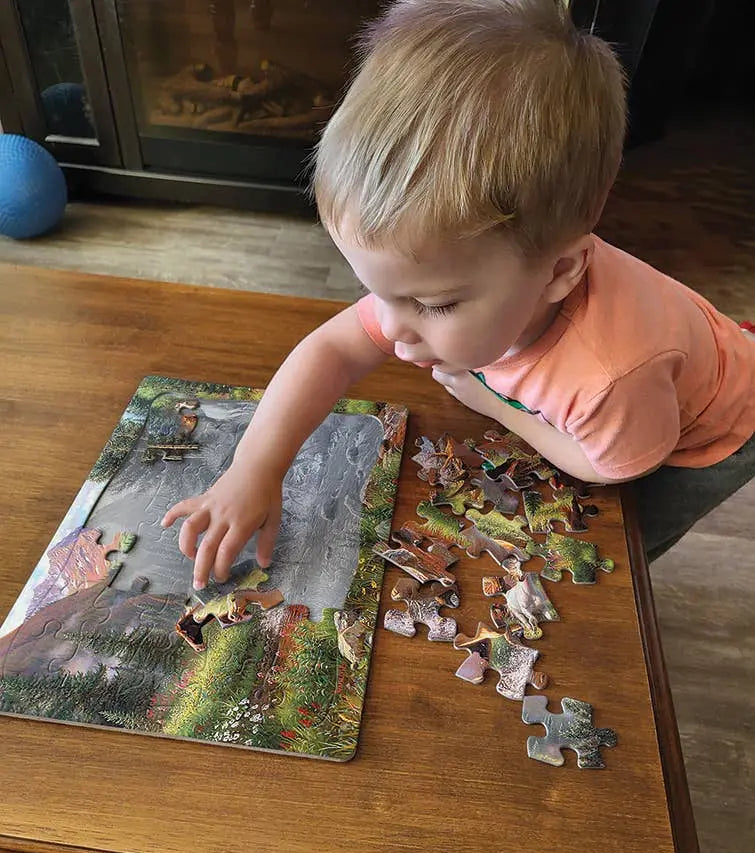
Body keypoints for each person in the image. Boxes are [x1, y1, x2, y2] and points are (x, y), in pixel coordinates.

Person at [162, 0, 755, 589]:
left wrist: (494, 405)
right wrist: (252, 469)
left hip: (712, 432)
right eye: (374, 290)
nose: (391, 327)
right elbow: (330, 350)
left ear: (558, 272)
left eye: (435, 305)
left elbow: (610, 465)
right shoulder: (461, 275)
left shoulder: (611, 377)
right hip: (648, 382)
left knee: (624, 554)